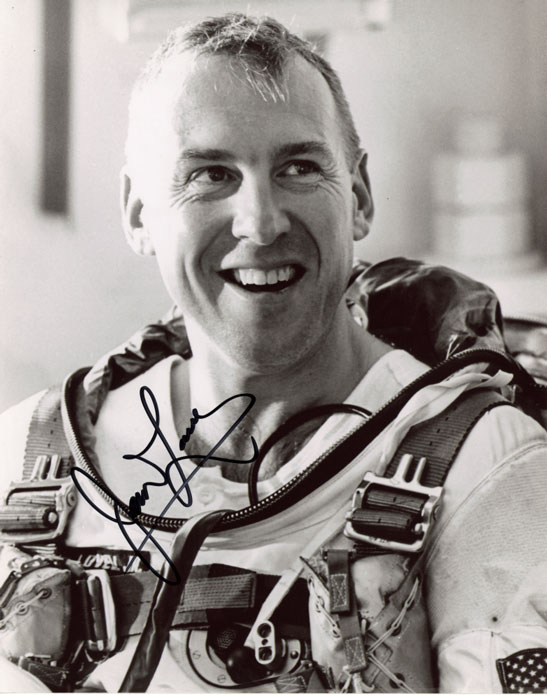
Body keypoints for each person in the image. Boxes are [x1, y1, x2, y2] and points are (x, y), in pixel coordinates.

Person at [1, 12, 547, 693]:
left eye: (298, 168)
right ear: (139, 211)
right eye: (209, 174)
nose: (259, 222)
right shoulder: (25, 460)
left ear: (359, 197)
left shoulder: (484, 467)